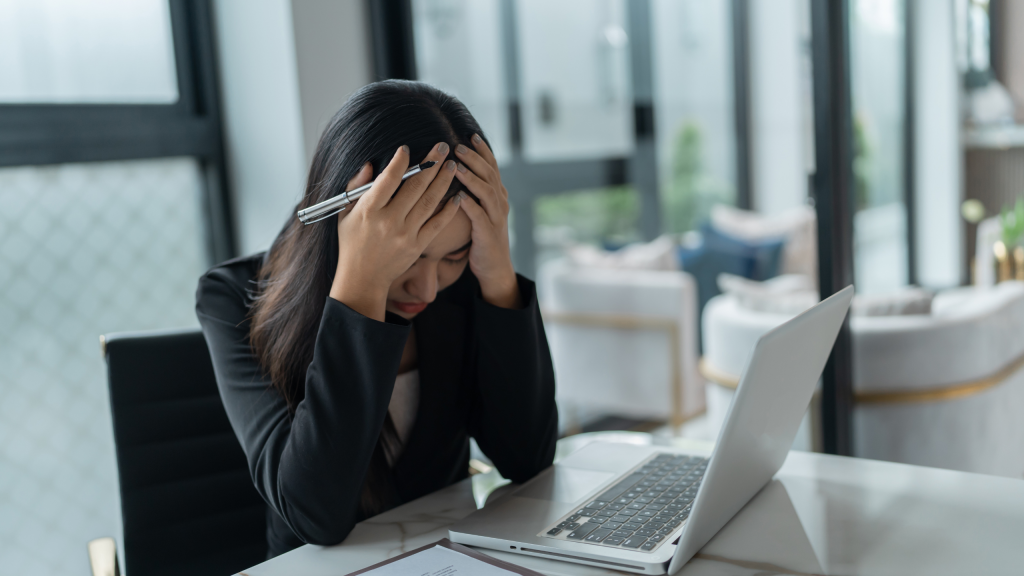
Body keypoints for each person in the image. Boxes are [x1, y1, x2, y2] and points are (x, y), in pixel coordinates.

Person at [195, 80, 558, 558]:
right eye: (410, 256)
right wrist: (360, 283)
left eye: (453, 256)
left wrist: (497, 273)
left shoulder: (467, 282)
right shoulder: (231, 298)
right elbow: (314, 515)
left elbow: (527, 458)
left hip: (450, 559)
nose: (427, 289)